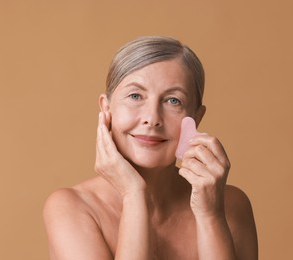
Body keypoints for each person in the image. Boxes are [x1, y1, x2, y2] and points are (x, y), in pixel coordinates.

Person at [43, 36, 258, 260]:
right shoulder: (71, 207)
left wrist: (210, 215)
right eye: (135, 96)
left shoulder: (230, 205)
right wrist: (133, 195)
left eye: (173, 101)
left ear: (196, 117)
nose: (152, 118)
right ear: (107, 109)